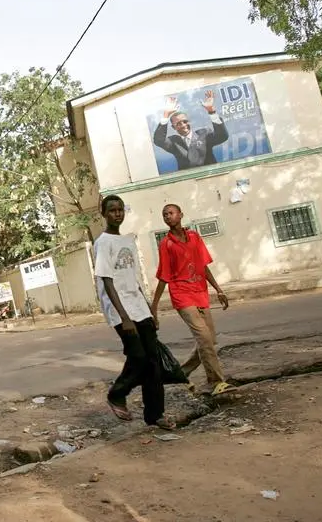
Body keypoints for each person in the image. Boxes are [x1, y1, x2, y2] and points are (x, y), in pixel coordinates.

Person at [94, 195, 174, 430]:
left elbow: (134, 279)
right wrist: (124, 317)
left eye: (120, 210)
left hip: (139, 307)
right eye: (112, 211)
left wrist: (150, 309)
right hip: (120, 309)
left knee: (153, 362)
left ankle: (155, 414)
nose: (117, 214)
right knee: (138, 356)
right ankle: (117, 393)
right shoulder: (103, 243)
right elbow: (107, 282)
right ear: (104, 214)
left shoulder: (128, 240)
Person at [151, 204, 233, 396]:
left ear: (180, 215)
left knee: (209, 340)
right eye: (164, 215)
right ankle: (216, 382)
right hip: (182, 295)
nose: (167, 217)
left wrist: (218, 290)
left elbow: (202, 266)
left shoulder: (195, 237)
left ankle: (180, 374)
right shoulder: (166, 244)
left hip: (200, 292)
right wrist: (154, 307)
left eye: (171, 213)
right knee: (204, 337)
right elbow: (164, 276)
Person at [153, 90, 229, 170]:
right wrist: (166, 115)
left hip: (211, 177)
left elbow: (222, 136)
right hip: (189, 181)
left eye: (185, 121)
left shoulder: (204, 134)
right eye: (178, 124)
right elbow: (159, 140)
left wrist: (211, 111)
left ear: (189, 122)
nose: (183, 125)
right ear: (173, 127)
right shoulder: (174, 142)